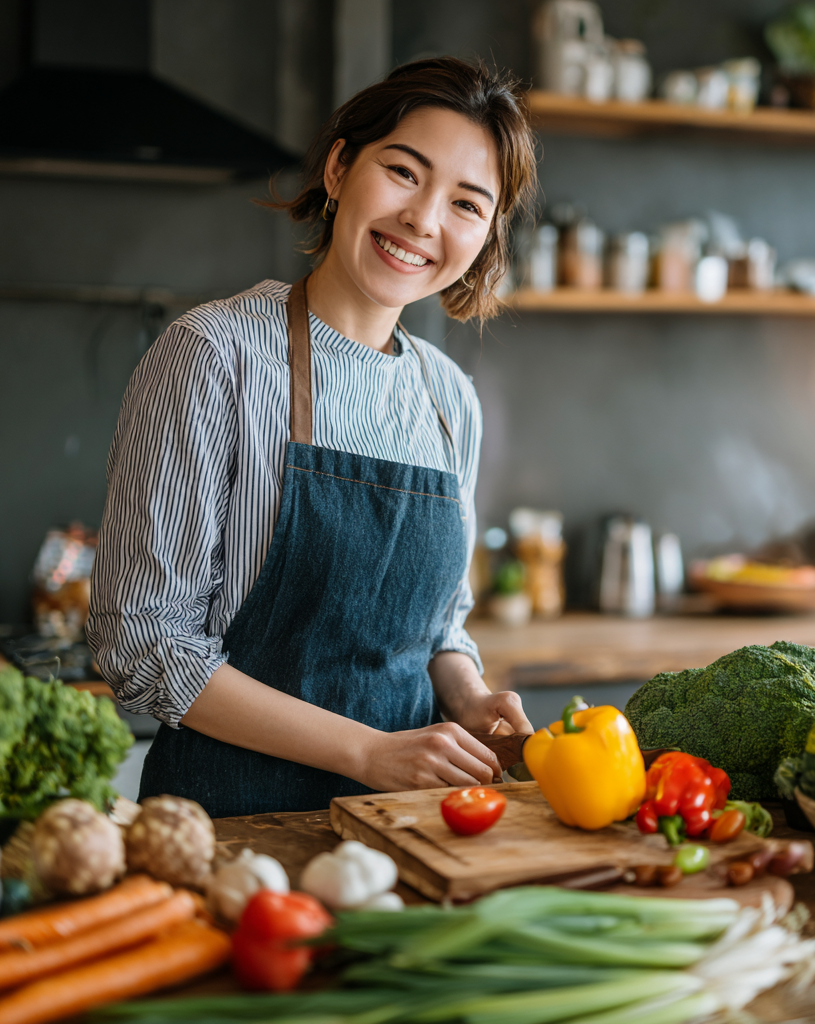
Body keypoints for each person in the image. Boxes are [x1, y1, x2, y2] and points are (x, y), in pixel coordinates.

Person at [87, 57, 538, 819]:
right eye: (403, 171)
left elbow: (439, 623)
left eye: (467, 203)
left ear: (487, 234)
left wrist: (466, 694)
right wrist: (367, 751)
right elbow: (142, 642)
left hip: (410, 827)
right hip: (231, 828)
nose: (424, 220)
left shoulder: (448, 400)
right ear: (338, 168)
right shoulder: (214, 355)